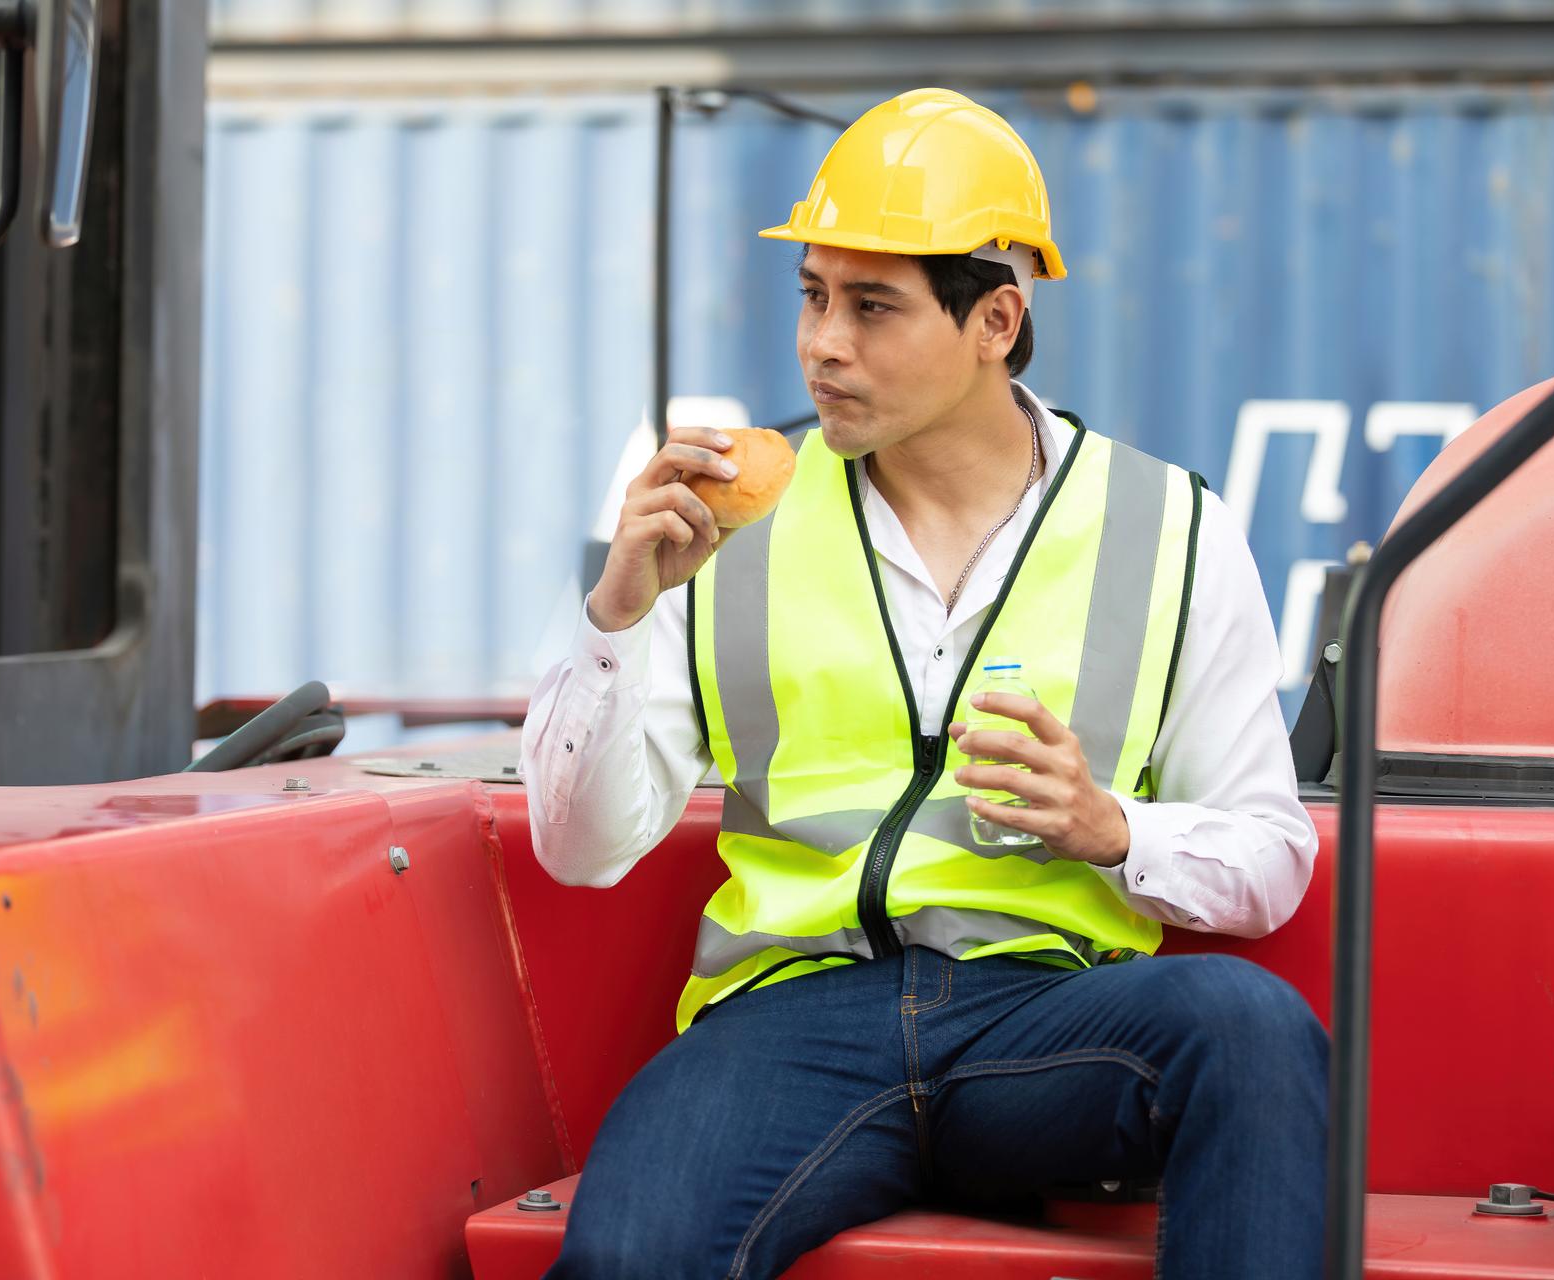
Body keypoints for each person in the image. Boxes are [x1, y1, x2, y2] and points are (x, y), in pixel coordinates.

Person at [519, 87, 1324, 1280]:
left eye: (871, 305)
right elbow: (578, 848)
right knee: (630, 1249)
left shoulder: (1174, 529)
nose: (819, 343)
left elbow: (1273, 854)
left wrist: (1114, 829)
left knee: (1251, 1031)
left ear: (996, 318)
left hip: (1042, 1019)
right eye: (812, 295)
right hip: (785, 1022)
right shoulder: (723, 522)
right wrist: (616, 615)